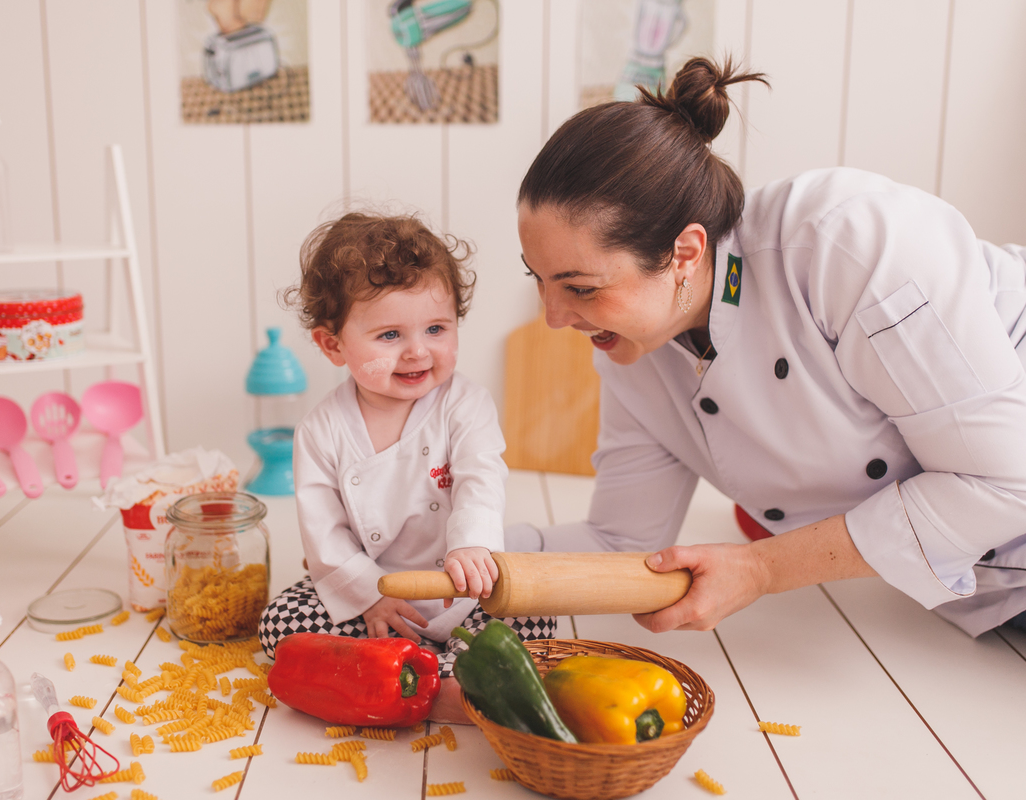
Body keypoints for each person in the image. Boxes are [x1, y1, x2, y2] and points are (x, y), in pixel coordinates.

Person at [510, 56, 1026, 638]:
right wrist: (456, 553)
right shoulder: (635, 353)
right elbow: (620, 544)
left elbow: (1004, 480)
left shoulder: (845, 242)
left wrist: (760, 569)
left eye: (580, 288)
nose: (552, 319)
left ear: (685, 252)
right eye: (538, 278)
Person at [259, 212, 556, 720]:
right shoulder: (321, 429)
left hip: (464, 586)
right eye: (390, 335)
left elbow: (481, 479)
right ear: (333, 344)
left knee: (538, 613)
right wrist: (369, 597)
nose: (419, 351)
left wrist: (471, 545)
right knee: (279, 624)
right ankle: (420, 675)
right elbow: (324, 534)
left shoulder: (465, 404)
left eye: (436, 328)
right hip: (378, 595)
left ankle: (427, 673)